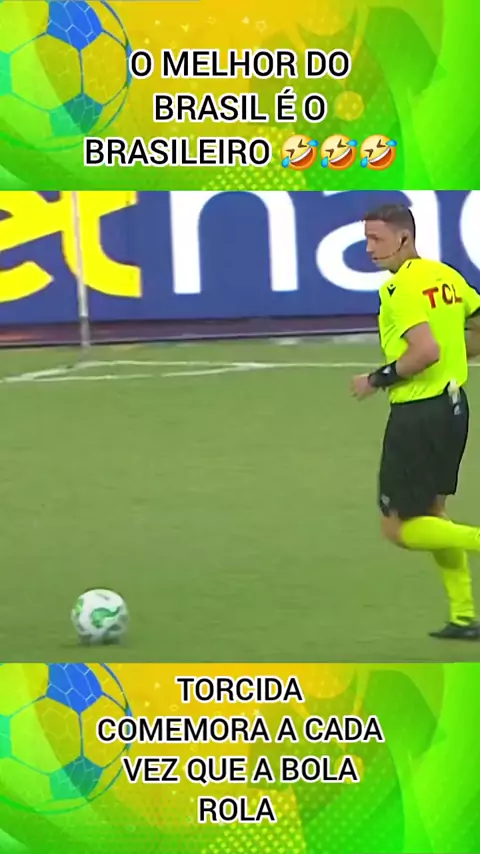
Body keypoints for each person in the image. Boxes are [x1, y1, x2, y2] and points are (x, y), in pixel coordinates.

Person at [351, 203, 480, 639]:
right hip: (454, 408)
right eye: (366, 239)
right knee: (434, 514)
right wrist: (459, 352)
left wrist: (376, 379)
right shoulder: (446, 276)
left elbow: (424, 352)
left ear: (404, 238)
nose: (369, 249)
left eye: (377, 239)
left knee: (398, 528)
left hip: (418, 415)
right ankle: (463, 616)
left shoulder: (400, 288)